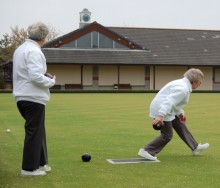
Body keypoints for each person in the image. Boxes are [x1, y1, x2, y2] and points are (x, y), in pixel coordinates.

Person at [13, 22, 56, 176]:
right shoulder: (34, 51)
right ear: (44, 37)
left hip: (22, 96)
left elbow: (28, 73)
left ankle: (41, 163)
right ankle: (29, 169)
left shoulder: (20, 49)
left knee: (38, 130)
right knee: (34, 131)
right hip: (32, 97)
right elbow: (35, 76)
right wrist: (51, 81)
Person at [138, 68, 209, 161]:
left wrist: (180, 112)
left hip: (166, 108)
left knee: (180, 124)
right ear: (195, 81)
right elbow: (169, 101)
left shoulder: (182, 84)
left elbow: (175, 102)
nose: (200, 84)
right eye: (200, 81)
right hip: (162, 108)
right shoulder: (183, 89)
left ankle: (195, 147)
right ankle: (147, 150)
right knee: (167, 135)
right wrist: (160, 115)